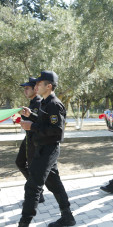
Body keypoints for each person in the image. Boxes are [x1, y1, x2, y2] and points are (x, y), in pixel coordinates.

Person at [18, 71, 75, 227]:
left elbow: (57, 131)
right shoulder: (45, 102)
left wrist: (32, 126)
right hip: (43, 148)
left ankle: (24, 223)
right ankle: (68, 217)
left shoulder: (54, 104)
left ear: (48, 86)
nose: (36, 86)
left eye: (39, 83)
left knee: (32, 187)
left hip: (48, 149)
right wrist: (31, 116)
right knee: (54, 184)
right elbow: (46, 124)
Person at [16, 78, 44, 203]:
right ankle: (36, 189)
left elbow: (41, 122)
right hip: (28, 138)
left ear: (35, 89)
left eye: (27, 88)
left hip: (35, 140)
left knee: (33, 167)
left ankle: (36, 193)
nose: (25, 91)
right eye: (24, 89)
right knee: (20, 162)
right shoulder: (32, 103)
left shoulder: (39, 103)